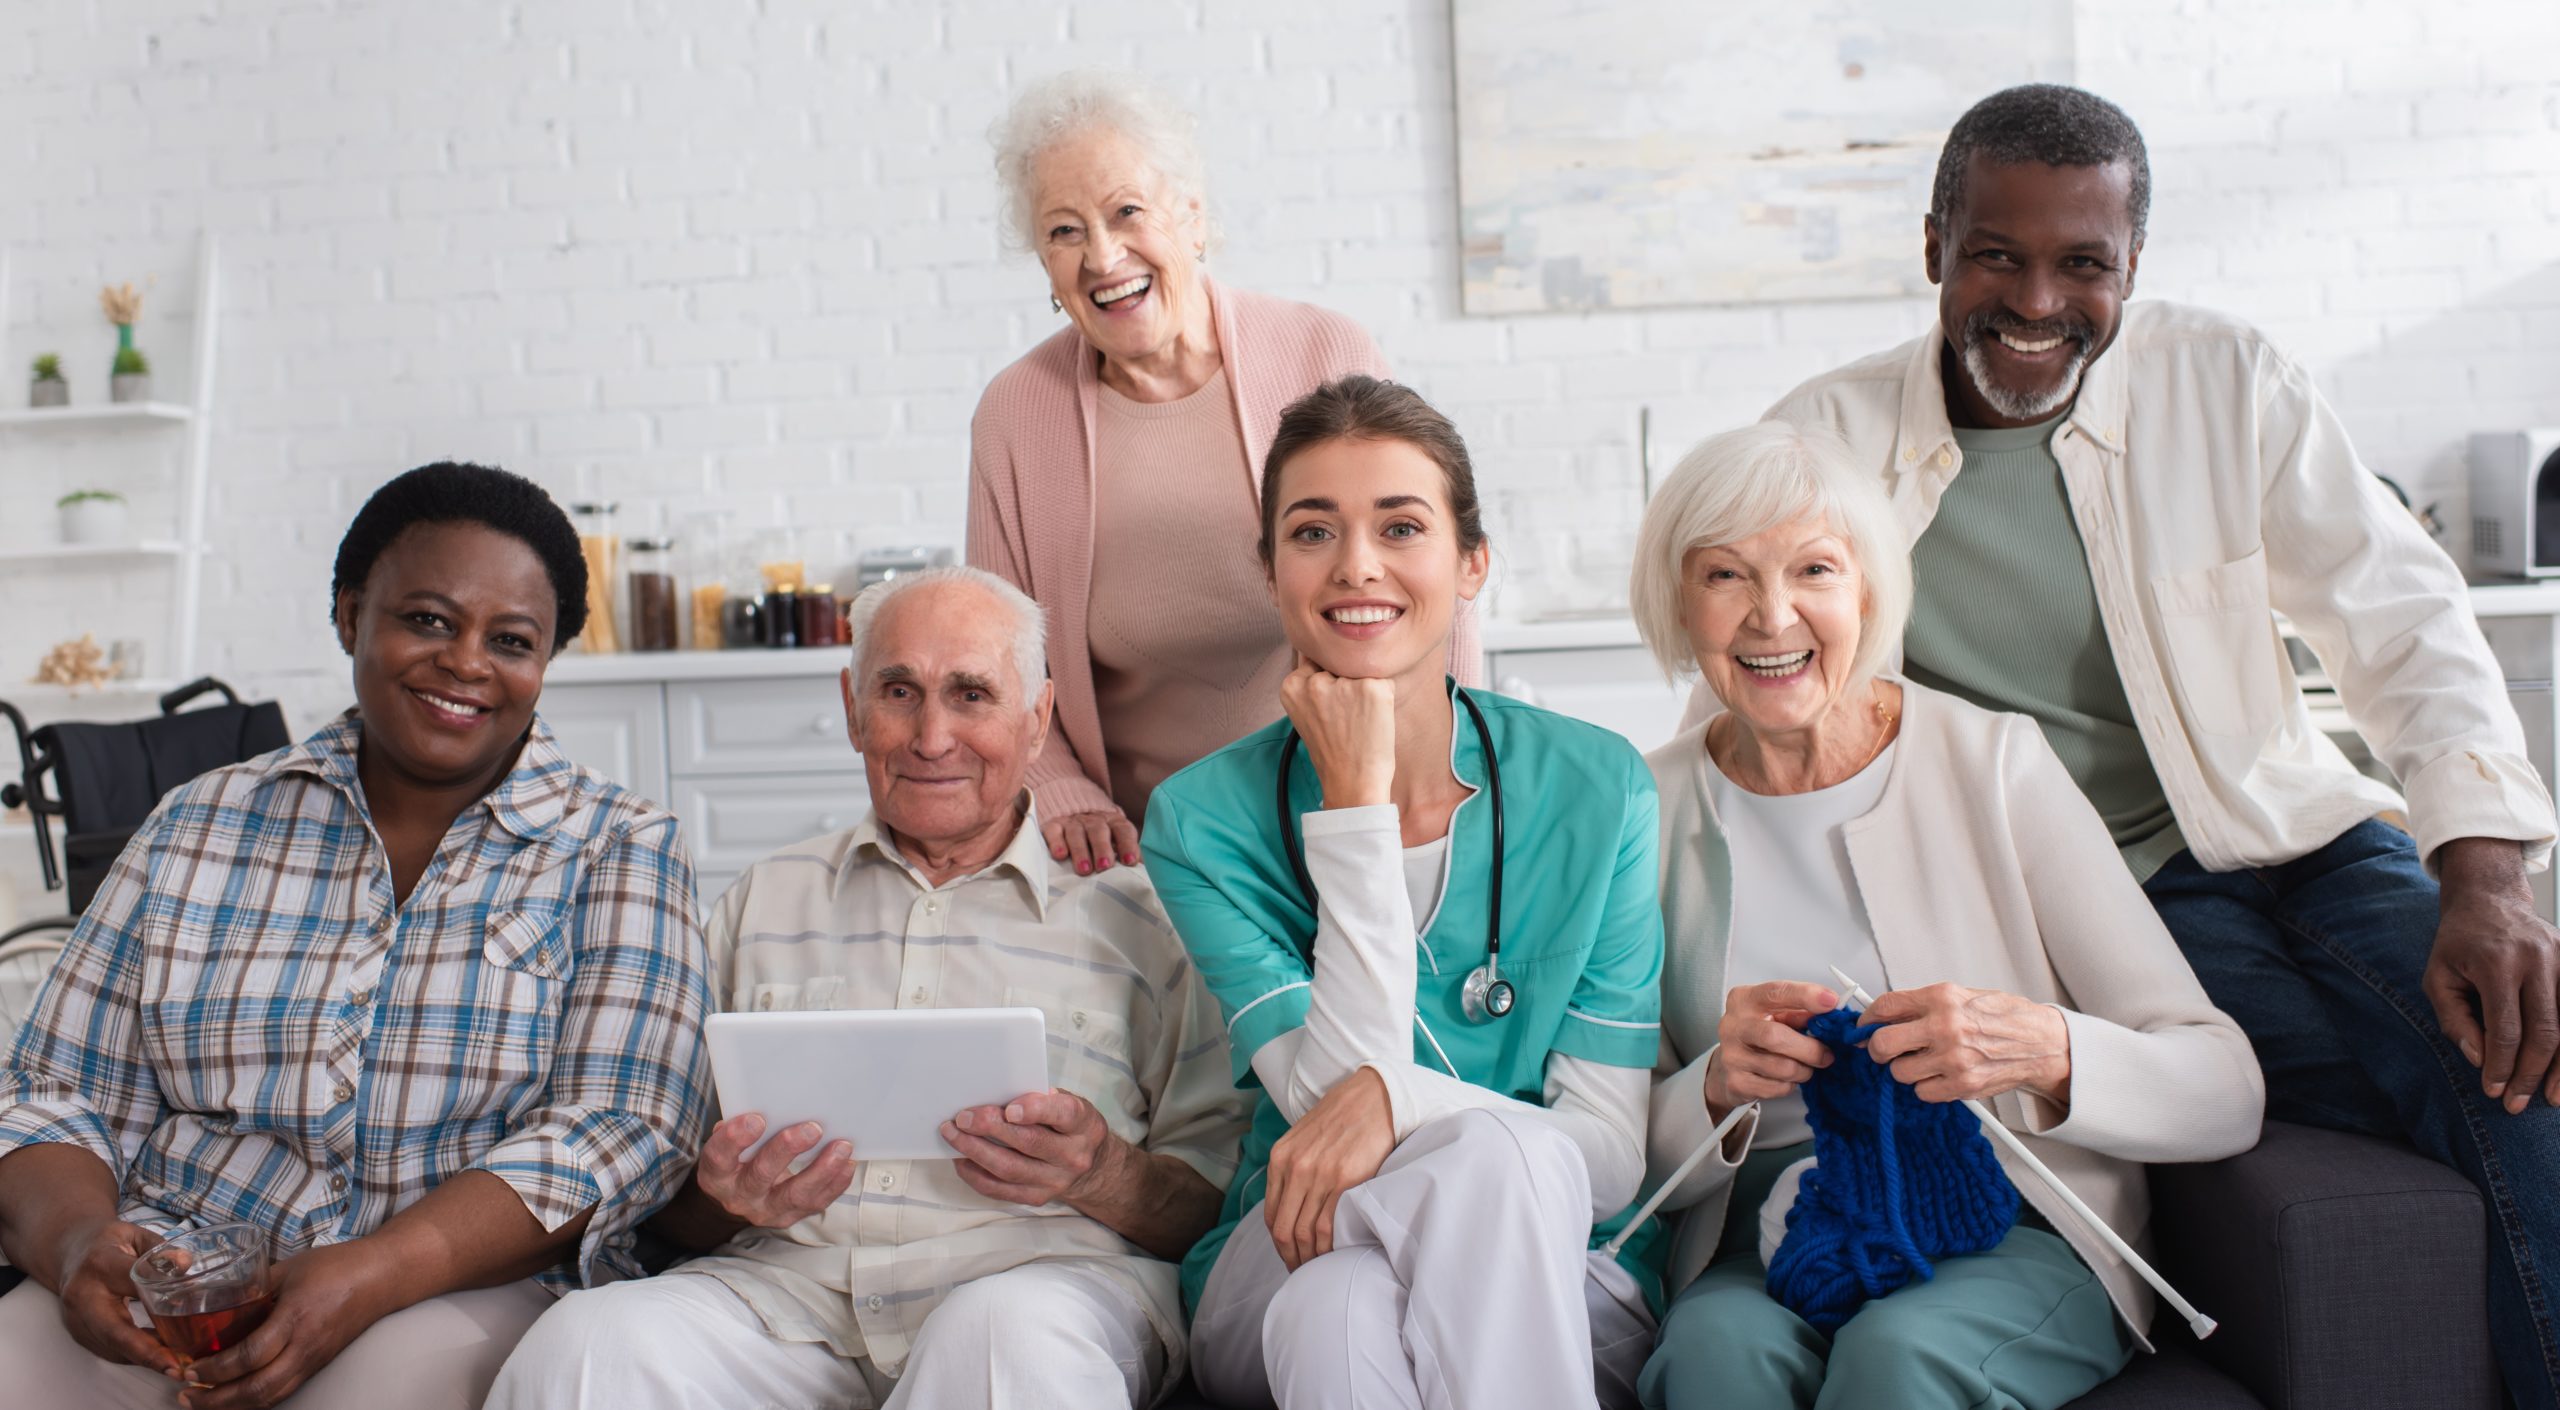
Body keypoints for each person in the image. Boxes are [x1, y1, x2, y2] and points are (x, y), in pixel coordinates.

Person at [1757, 82, 2560, 1403]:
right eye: (1995, 256)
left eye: (2084, 264)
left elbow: (2399, 617)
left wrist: (2488, 881)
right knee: (2394, 1075)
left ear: (2133, 264)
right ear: (1933, 249)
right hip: (2105, 902)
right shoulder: (1821, 443)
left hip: (2299, 833)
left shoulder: (2226, 380)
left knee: (2518, 1042)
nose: (2037, 302)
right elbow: (1763, 717)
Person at [0, 462, 713, 1409]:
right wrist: (74, 1243)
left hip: (454, 1292)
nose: (467, 662)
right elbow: (55, 1088)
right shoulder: (199, 822)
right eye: (429, 619)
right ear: (350, 616)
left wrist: (373, 1272)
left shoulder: (620, 847)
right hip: (177, 1278)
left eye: (511, 640)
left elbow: (625, 1125)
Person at [488, 565, 1251, 1409]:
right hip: (785, 1300)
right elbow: (665, 1208)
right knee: (589, 1342)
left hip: (1040, 1292)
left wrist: (1100, 1172)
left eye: (971, 695)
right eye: (899, 692)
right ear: (853, 709)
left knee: (1004, 1335)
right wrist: (724, 1200)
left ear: (1037, 719)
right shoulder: (758, 902)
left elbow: (1218, 1210)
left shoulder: (1143, 917)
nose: (931, 737)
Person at [1629, 422, 2263, 1409]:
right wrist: (1714, 1086)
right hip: (1764, 1234)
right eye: (1724, 576)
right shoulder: (1643, 804)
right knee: (1713, 1354)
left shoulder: (1995, 762)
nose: (1771, 615)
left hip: (2008, 1218)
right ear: (1679, 602)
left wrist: (2042, 1050)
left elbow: (2224, 1087)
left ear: (1867, 592)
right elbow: (1609, 1135)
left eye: (1814, 569)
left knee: (1899, 1357)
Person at [1147, 376, 1666, 1410]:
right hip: (1289, 1238)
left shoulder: (1597, 787)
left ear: (1471, 562)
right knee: (1463, 1175)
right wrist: (1354, 807)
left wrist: (1407, 1098)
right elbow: (1330, 1127)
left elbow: (1607, 1163)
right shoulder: (1199, 822)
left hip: (1557, 1261)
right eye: (1312, 532)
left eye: (1400, 526)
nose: (1356, 565)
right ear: (1270, 570)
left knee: (1347, 1304)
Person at [969, 69, 1480, 880]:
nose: (1103, 256)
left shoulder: (1324, 354)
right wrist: (1059, 788)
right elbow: (994, 655)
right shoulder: (1016, 413)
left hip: (1346, 812)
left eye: (1127, 212)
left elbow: (1431, 585)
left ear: (1193, 215)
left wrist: (1454, 775)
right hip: (1133, 849)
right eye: (1065, 231)